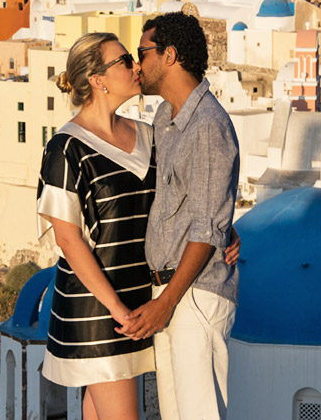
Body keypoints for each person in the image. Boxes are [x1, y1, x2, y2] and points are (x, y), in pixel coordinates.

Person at [37, 32, 238, 420]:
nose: (135, 66)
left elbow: (186, 194)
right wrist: (118, 311)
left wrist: (223, 226)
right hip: (100, 310)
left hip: (140, 300)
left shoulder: (149, 134)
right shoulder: (66, 147)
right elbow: (67, 237)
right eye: (125, 60)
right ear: (98, 79)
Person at [117, 12, 240, 420]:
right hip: (169, 294)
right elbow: (199, 208)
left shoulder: (206, 126)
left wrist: (166, 302)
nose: (137, 65)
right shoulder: (166, 119)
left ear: (169, 55)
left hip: (192, 296)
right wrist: (227, 228)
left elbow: (206, 227)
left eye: (142, 53)